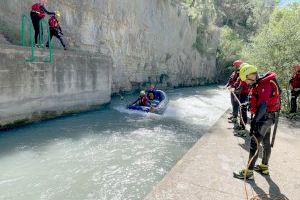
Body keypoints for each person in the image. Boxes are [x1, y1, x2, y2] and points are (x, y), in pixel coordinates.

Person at [233, 65, 281, 180]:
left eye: (247, 80)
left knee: (255, 142)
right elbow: (261, 100)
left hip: (264, 118)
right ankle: (264, 167)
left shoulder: (264, 84)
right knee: (266, 143)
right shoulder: (260, 82)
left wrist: (254, 123)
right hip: (269, 117)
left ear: (252, 75)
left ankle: (248, 172)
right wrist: (248, 104)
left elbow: (263, 106)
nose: (247, 83)